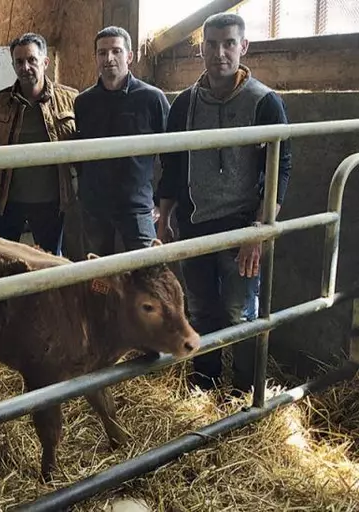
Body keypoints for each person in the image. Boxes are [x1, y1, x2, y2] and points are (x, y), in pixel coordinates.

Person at [156, 13, 292, 396]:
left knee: (239, 313)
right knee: (200, 309)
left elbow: (279, 167)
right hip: (195, 222)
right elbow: (171, 164)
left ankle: (245, 392)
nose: (220, 52)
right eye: (211, 44)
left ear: (243, 47)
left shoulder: (264, 103)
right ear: (201, 49)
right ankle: (205, 385)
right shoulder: (184, 105)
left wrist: (260, 229)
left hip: (241, 225)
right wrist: (165, 220)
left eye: (229, 43)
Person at [0, 32, 78, 255]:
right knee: (0, 261)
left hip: (53, 202)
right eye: (19, 61)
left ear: (45, 62)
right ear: (13, 65)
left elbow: (86, 153)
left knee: (49, 263)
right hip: (6, 201)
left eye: (32, 60)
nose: (25, 67)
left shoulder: (71, 100)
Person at [69, 26, 170, 259]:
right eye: (102, 53)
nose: (109, 58)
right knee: (98, 277)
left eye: (116, 51)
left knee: (146, 271)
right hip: (95, 207)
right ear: (95, 57)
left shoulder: (152, 98)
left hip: (137, 207)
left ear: (130, 56)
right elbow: (80, 154)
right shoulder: (84, 102)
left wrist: (159, 203)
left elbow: (171, 156)